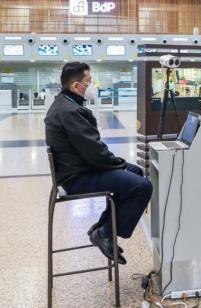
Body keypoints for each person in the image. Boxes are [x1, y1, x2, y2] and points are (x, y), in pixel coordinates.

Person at [45, 62, 152, 265]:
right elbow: (95, 154)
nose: (93, 86)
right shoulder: (70, 112)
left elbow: (92, 151)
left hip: (78, 168)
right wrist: (118, 164)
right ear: (76, 86)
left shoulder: (65, 104)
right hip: (77, 177)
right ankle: (105, 233)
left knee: (135, 171)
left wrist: (119, 165)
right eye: (89, 82)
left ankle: (102, 228)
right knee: (143, 187)